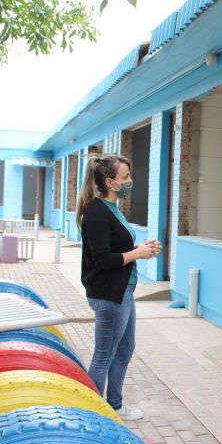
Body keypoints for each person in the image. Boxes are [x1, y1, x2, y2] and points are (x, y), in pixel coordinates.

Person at [76, 153, 161, 421]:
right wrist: (136, 254)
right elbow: (102, 261)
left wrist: (140, 249)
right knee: (104, 356)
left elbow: (114, 247)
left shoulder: (112, 209)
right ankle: (93, 414)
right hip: (109, 294)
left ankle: (114, 405)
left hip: (123, 291)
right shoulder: (96, 212)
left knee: (124, 350)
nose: (130, 181)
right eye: (125, 177)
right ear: (110, 182)